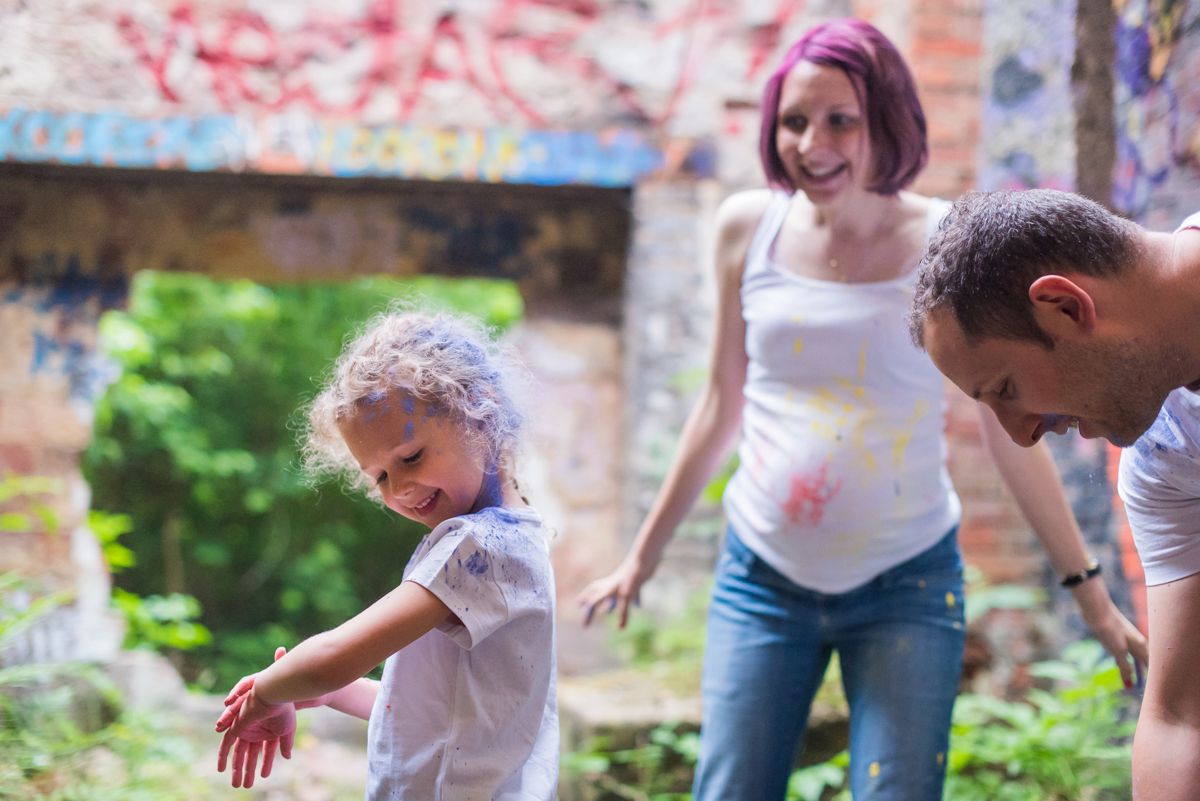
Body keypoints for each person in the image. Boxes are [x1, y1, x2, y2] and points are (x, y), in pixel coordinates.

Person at [577, 20, 1147, 801]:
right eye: (794, 121)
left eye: (840, 118)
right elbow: (720, 401)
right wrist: (640, 556)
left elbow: (1005, 429)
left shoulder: (946, 242)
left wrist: (1089, 589)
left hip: (908, 582)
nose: (813, 142)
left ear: (886, 119)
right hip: (760, 577)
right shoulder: (747, 227)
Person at [909, 187, 1200, 801]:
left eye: (1007, 389)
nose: (1022, 435)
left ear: (1065, 307)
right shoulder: (1166, 457)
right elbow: (1179, 719)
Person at [212, 310, 558, 800]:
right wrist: (334, 694)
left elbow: (334, 656)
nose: (399, 489)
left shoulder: (483, 549)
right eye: (378, 477)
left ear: (482, 409)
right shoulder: (512, 541)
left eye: (411, 457)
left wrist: (268, 690)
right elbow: (447, 718)